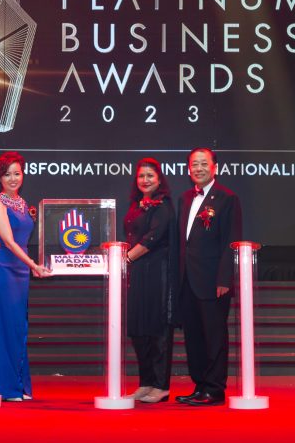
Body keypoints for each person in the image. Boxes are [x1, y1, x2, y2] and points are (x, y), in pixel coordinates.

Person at [176, 147, 242, 406]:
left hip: (213, 281)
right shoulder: (184, 199)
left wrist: (224, 279)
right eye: (194, 164)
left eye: (204, 163)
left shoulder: (227, 198)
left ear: (215, 167)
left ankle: (214, 390)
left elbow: (231, 241)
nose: (199, 168)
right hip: (187, 280)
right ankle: (200, 385)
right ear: (188, 169)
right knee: (193, 337)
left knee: (214, 336)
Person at [0, 151, 50, 402]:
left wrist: (30, 266)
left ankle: (19, 385)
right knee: (6, 326)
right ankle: (5, 387)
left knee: (18, 327)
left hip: (21, 271)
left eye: (17, 173)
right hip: (5, 269)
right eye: (7, 174)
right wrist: (33, 264)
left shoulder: (22, 203)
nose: (13, 179)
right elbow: (10, 243)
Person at [121, 157, 177, 404]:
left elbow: (153, 238)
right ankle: (146, 383)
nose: (145, 180)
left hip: (157, 273)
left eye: (150, 176)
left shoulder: (163, 206)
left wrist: (127, 258)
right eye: (141, 176)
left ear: (159, 180)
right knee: (139, 329)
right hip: (138, 274)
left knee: (157, 330)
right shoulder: (136, 205)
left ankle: (161, 386)